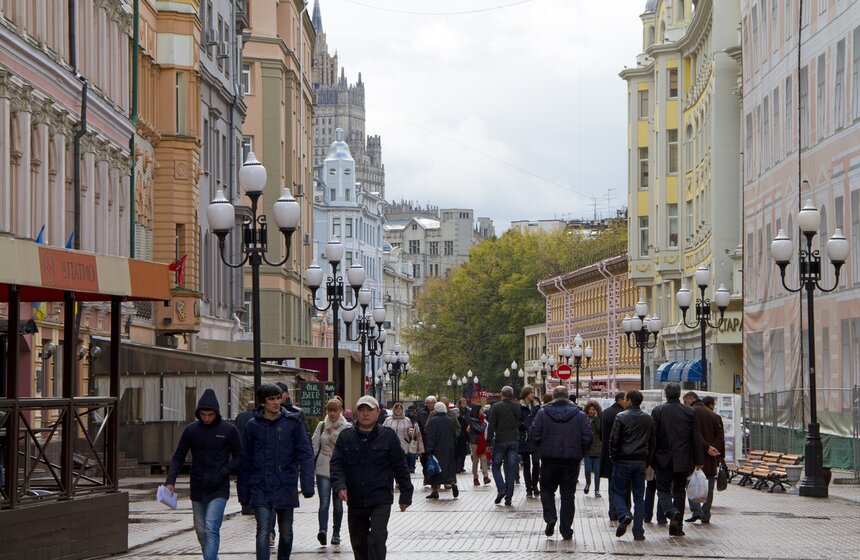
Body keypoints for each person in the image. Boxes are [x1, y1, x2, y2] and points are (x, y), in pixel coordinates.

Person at [330, 395, 413, 560]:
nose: (365, 414)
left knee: (377, 537)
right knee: (359, 543)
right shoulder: (346, 437)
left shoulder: (388, 436)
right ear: (356, 413)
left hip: (380, 497)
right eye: (361, 410)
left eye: (370, 410)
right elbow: (336, 464)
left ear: (378, 412)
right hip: (355, 498)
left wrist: (405, 494)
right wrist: (340, 485)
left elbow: (400, 466)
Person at [238, 383, 315, 560]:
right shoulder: (253, 426)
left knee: (286, 533)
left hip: (285, 484)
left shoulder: (293, 423)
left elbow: (305, 453)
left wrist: (307, 484)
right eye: (271, 399)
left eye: (278, 398)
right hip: (260, 485)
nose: (276, 402)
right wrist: (244, 493)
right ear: (263, 402)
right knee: (263, 530)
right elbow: (246, 460)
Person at [165, 389, 242, 560]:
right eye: (203, 414)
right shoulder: (191, 430)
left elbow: (239, 457)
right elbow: (178, 456)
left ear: (216, 412)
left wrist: (224, 472)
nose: (207, 418)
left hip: (219, 488)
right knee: (201, 532)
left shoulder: (229, 430)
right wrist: (170, 481)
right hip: (198, 487)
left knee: (210, 528)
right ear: (198, 413)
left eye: (210, 414)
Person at [529, 385, 592, 540]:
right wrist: (580, 452)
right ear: (567, 395)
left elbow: (534, 434)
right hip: (571, 461)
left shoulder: (543, 413)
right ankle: (566, 529)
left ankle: (550, 518)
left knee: (546, 489)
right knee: (568, 495)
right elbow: (588, 437)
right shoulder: (579, 415)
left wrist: (542, 447)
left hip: (549, 460)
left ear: (554, 396)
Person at [651, 382, 704, 537]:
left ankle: (670, 511)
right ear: (680, 394)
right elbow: (696, 437)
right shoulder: (689, 412)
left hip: (662, 458)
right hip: (683, 459)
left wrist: (650, 458)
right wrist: (698, 459)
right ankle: (677, 527)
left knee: (663, 489)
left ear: (666, 394)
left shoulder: (658, 411)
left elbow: (653, 436)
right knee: (679, 491)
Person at [609, 390, 655, 542]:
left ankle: (623, 514)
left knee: (616, 491)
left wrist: (614, 457)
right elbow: (652, 442)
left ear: (628, 400)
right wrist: (647, 460)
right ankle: (639, 532)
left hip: (623, 459)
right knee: (639, 497)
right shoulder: (648, 419)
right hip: (640, 461)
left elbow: (614, 440)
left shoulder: (621, 417)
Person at [312, 398, 351, 546]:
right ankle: (323, 531)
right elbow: (315, 445)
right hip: (323, 467)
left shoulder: (346, 427)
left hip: (340, 469)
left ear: (340, 410)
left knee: (338, 504)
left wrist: (333, 434)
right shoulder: (321, 426)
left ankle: (336, 532)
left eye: (335, 410)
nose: (332, 413)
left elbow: (347, 448)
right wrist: (309, 465)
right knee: (324, 502)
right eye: (329, 410)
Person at [683, 392, 725, 524]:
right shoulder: (714, 416)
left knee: (690, 483)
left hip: (694, 456)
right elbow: (720, 436)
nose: (685, 404)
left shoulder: (690, 413)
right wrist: (713, 449)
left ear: (691, 399)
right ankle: (706, 513)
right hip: (711, 458)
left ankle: (696, 510)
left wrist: (706, 448)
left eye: (685, 401)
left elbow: (693, 435)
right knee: (709, 486)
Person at [487, 386, 522, 506]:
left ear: (502, 394)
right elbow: (519, 422)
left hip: (500, 441)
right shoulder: (517, 406)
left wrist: (488, 442)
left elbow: (491, 425)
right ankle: (509, 498)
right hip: (514, 440)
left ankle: (501, 489)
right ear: (511, 395)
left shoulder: (496, 407)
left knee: (496, 466)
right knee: (511, 469)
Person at [600, 392, 628, 521]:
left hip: (607, 453)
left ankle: (613, 511)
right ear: (621, 400)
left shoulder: (605, 412)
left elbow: (601, 433)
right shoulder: (623, 415)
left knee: (612, 484)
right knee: (625, 485)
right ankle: (625, 510)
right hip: (622, 455)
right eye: (625, 399)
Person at [424, 401, 459, 499]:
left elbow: (431, 437)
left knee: (435, 471)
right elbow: (454, 434)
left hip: (437, 450)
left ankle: (434, 491)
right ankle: (452, 483)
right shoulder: (450, 420)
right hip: (449, 449)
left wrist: (429, 450)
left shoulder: (433, 421)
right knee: (449, 469)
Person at [518, 385, 541, 498]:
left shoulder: (537, 406)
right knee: (526, 465)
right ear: (526, 394)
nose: (533, 394)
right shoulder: (520, 407)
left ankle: (535, 484)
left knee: (536, 462)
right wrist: (524, 426)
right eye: (531, 392)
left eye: (533, 392)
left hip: (535, 438)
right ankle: (528, 488)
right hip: (524, 438)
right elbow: (517, 422)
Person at [582, 401, 602, 498]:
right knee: (587, 469)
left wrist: (596, 418)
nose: (591, 411)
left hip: (597, 449)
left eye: (593, 409)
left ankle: (597, 490)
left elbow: (600, 430)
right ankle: (588, 483)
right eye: (590, 409)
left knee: (597, 471)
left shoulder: (598, 419)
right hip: (587, 450)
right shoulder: (584, 419)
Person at [466, 405, 490, 485]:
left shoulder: (484, 419)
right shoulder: (472, 420)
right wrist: (484, 424)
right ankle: (475, 476)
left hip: (483, 441)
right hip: (474, 441)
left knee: (484, 458)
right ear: (477, 411)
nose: (483, 410)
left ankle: (485, 476)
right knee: (475, 459)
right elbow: (480, 429)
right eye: (481, 409)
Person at [455, 399, 470, 473]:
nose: (464, 404)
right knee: (458, 452)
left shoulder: (468, 411)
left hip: (465, 433)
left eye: (465, 402)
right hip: (459, 434)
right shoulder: (458, 411)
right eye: (463, 403)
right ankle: (457, 466)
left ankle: (461, 466)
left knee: (463, 452)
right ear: (460, 404)